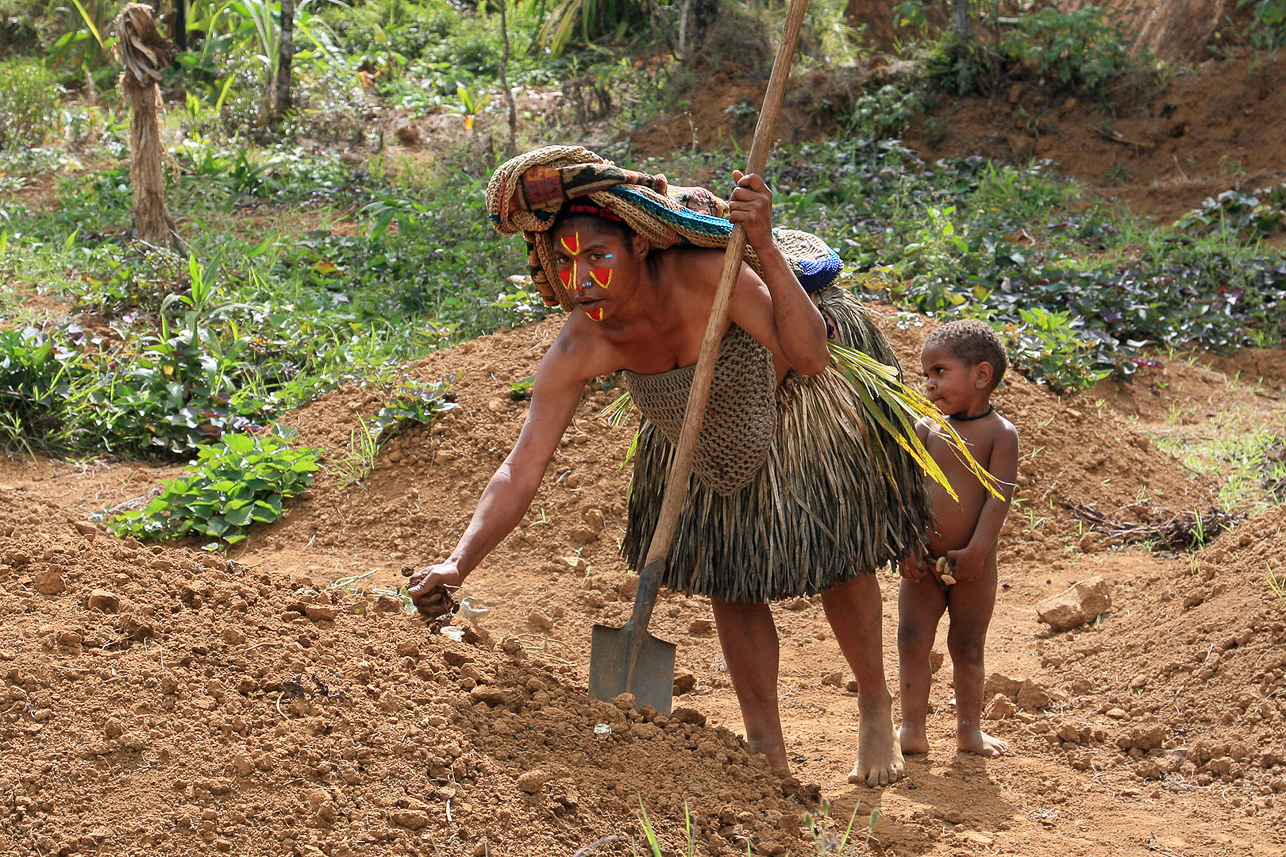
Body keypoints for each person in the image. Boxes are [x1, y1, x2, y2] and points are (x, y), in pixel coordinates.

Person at [410, 146, 930, 785]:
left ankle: (875, 700)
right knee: (728, 572)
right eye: (565, 264)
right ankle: (765, 742)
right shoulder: (583, 341)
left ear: (641, 248)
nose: (583, 283)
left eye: (598, 257)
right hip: (692, 431)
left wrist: (763, 245)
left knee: (836, 554)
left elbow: (811, 355)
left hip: (789, 388)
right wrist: (459, 561)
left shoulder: (710, 275)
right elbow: (522, 468)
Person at [896, 319, 1018, 758]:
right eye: (926, 374)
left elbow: (997, 499)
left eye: (940, 372)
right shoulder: (928, 429)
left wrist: (978, 552)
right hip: (922, 563)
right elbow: (906, 491)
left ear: (981, 376)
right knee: (912, 640)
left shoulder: (999, 434)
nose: (929, 384)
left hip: (974, 566)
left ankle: (969, 731)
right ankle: (912, 728)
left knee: (967, 645)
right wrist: (906, 542)